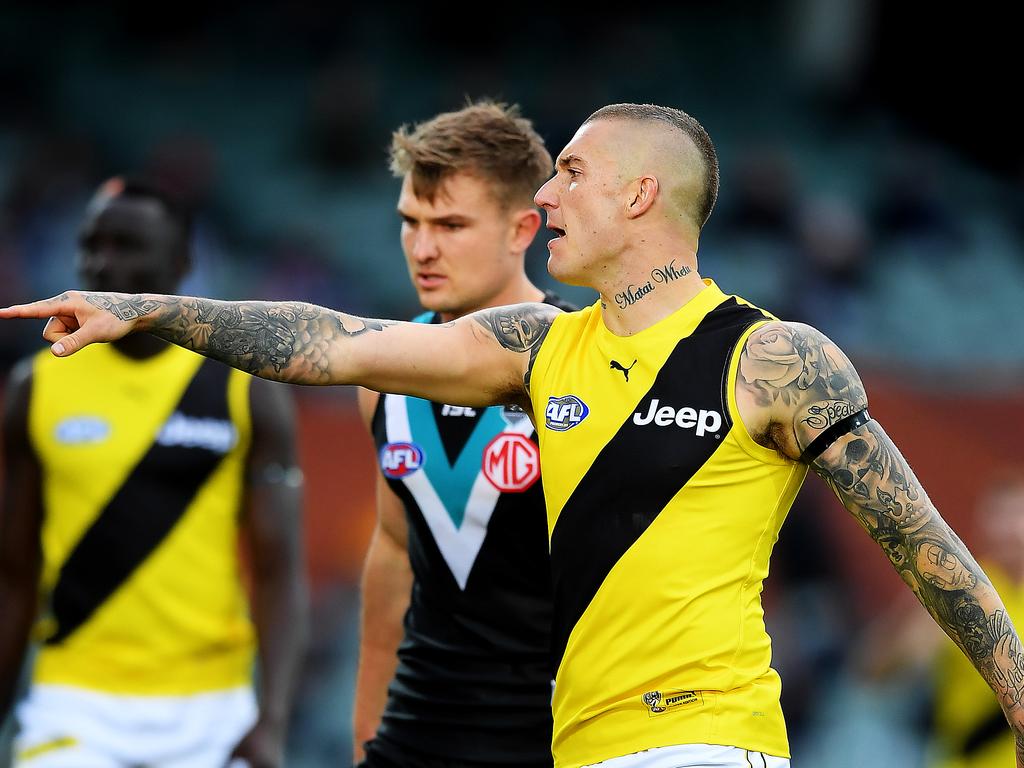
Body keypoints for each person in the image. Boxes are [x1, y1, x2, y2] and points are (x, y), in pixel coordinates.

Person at [5, 104, 1024, 768]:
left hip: (707, 740)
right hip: (577, 745)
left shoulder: (774, 359)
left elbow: (928, 551)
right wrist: (147, 308)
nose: (544, 195)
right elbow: (331, 343)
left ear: (638, 196)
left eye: (570, 173)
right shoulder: (536, 346)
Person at [0, 177, 308, 768]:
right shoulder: (33, 387)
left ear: (183, 259)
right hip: (74, 703)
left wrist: (271, 721)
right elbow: (13, 577)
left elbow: (278, 572)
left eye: (127, 244)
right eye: (92, 244)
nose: (102, 261)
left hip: (214, 710)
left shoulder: (244, 388)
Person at [352, 101, 573, 767]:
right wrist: (365, 740)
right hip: (416, 733)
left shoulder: (583, 365)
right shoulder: (384, 372)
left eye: (450, 225)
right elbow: (393, 555)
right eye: (410, 223)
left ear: (523, 228)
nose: (422, 249)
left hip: (556, 738)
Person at [861, 471, 1024, 768]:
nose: (1009, 530)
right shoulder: (956, 584)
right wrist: (907, 630)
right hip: (965, 759)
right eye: (999, 517)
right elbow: (877, 672)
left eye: (1017, 517)